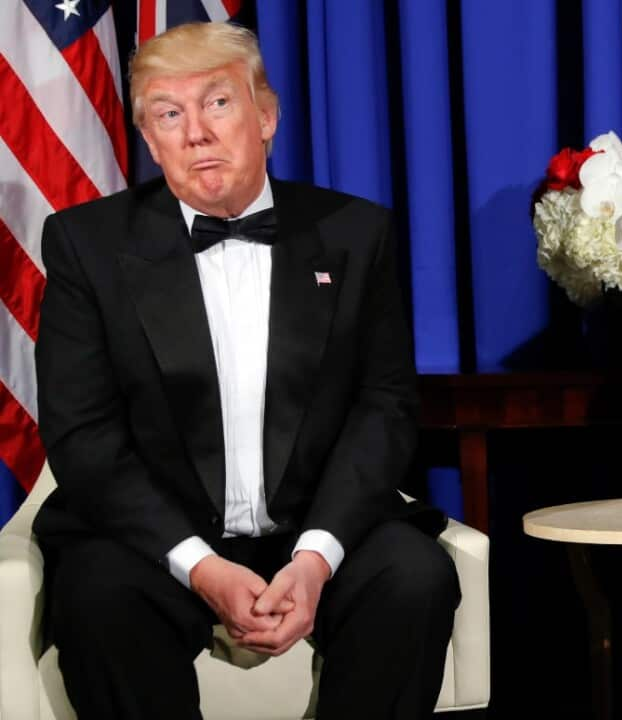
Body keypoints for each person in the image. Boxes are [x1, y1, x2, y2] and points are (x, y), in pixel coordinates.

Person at [33, 21, 458, 719]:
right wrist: (200, 565)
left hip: (311, 524)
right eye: (169, 114)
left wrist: (316, 558)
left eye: (218, 103)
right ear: (149, 139)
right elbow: (84, 438)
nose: (195, 132)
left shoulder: (355, 235)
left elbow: (382, 409)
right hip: (156, 536)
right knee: (97, 598)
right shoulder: (87, 245)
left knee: (413, 579)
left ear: (265, 115)